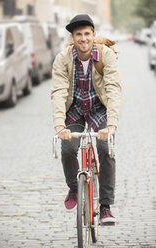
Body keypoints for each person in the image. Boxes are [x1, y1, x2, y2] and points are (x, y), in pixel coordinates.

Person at [51, 14, 121, 225]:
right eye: (78, 35)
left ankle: (106, 206)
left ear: (93, 35)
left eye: (87, 34)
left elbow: (113, 88)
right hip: (75, 109)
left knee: (105, 149)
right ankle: (75, 187)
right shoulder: (62, 58)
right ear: (72, 38)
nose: (83, 39)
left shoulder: (105, 55)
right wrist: (59, 125)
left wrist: (111, 124)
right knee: (68, 150)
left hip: (99, 108)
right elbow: (58, 91)